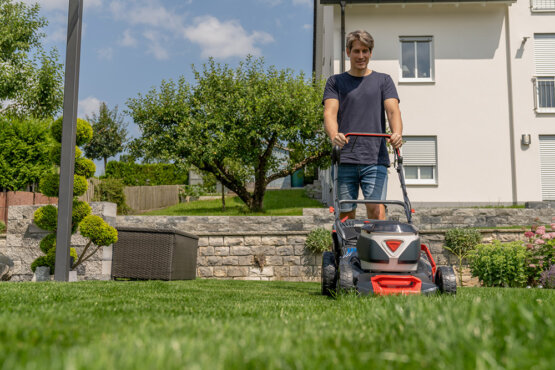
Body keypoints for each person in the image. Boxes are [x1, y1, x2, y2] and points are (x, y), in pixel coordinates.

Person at [323, 30, 403, 221]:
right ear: (347, 52)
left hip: (375, 157)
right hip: (345, 158)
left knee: (376, 210)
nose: (361, 56)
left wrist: (397, 133)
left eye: (365, 51)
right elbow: (329, 113)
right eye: (356, 51)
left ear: (370, 52)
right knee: (346, 212)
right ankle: (349, 251)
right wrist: (334, 135)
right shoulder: (335, 82)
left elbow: (393, 111)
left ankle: (376, 250)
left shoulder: (383, 80)